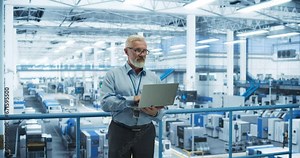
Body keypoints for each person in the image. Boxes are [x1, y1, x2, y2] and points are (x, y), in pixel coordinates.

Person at [100, 34, 164, 158]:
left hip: (146, 131)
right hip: (120, 131)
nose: (142, 54)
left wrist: (155, 113)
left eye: (145, 51)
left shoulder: (154, 77)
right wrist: (132, 100)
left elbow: (163, 107)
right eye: (137, 50)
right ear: (126, 51)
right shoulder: (113, 75)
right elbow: (105, 103)